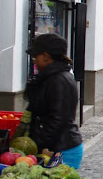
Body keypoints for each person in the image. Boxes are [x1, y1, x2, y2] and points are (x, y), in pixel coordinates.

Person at [24, 33, 83, 168]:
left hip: (62, 149)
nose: (34, 61)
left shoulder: (58, 80)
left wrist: (38, 145)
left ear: (45, 56)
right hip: (60, 145)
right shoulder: (52, 77)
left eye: (35, 56)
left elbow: (58, 120)